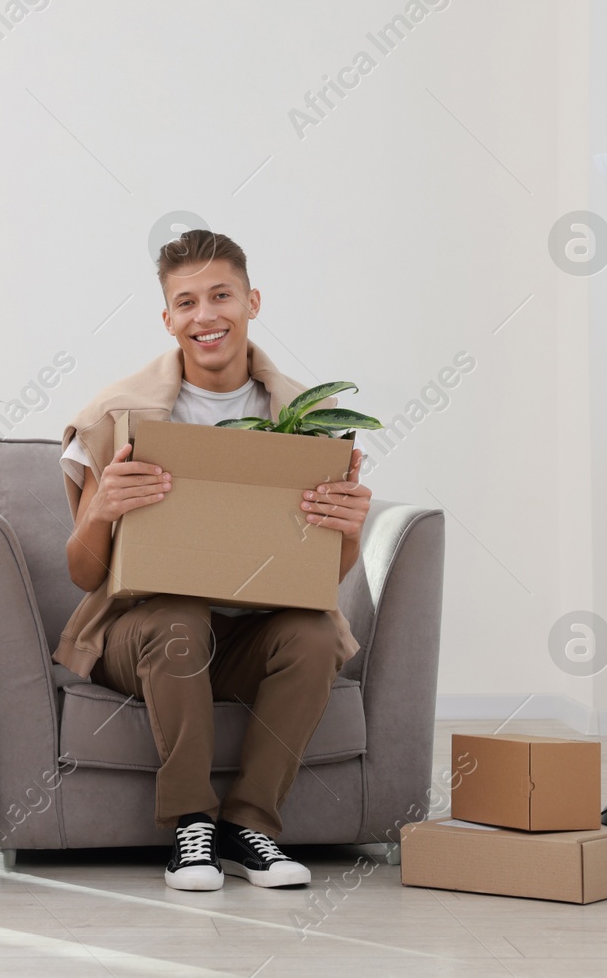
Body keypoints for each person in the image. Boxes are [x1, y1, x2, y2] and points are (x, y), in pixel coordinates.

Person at [57, 229, 371, 892]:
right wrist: (102, 509)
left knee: (316, 634)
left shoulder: (306, 417)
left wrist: (347, 527)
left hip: (251, 634)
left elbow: (324, 573)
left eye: (221, 295)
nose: (206, 316)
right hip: (143, 632)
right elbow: (84, 573)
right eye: (188, 301)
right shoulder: (115, 414)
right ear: (168, 318)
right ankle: (191, 826)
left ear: (251, 301)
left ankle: (249, 826)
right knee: (178, 614)